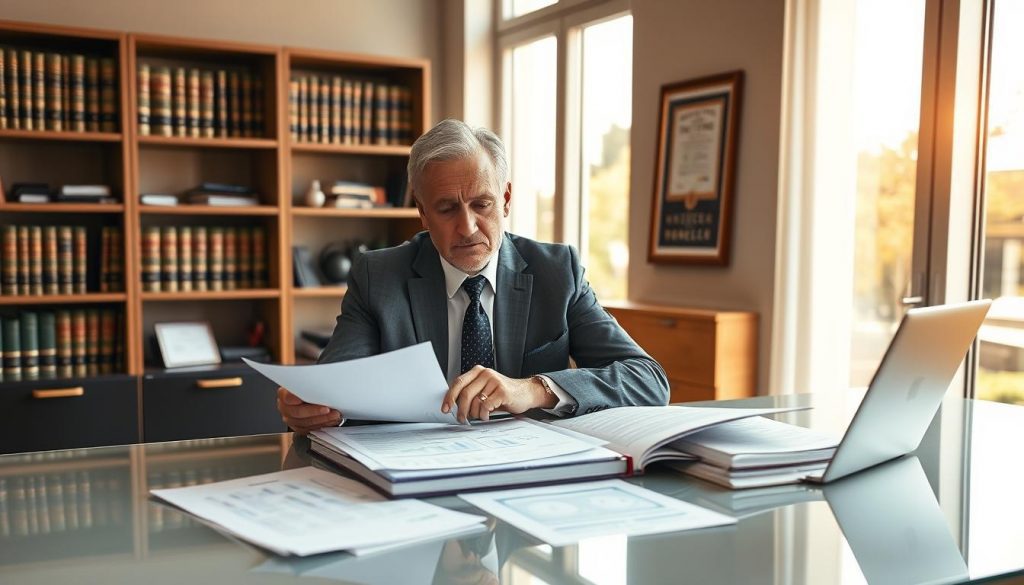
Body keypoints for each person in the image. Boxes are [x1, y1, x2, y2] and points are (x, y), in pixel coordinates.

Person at [277, 119, 669, 433]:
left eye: (482, 204)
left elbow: (648, 380)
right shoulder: (378, 276)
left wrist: (534, 389)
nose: (467, 227)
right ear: (423, 213)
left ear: (507, 200)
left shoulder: (557, 271)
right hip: (415, 477)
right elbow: (337, 387)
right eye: (447, 208)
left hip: (531, 475)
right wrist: (316, 407)